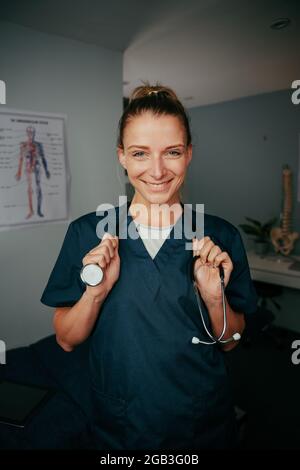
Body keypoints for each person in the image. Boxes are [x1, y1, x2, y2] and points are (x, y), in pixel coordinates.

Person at [40, 83, 258, 451]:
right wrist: (96, 293)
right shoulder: (88, 232)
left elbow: (232, 344)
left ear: (188, 154)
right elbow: (66, 339)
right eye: (140, 153)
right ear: (122, 157)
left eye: (171, 152)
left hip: (200, 417)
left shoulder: (219, 235)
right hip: (121, 420)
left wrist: (214, 297)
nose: (157, 170)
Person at [15, 125, 50, 219]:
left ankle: (39, 210)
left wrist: (46, 170)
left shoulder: (38, 145)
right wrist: (19, 172)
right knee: (29, 189)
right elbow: (21, 159)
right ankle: (31, 211)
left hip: (37, 166)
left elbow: (43, 158)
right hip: (27, 167)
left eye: (32, 132)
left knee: (38, 188)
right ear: (27, 133)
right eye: (29, 132)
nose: (31, 134)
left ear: (34, 133)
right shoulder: (23, 145)